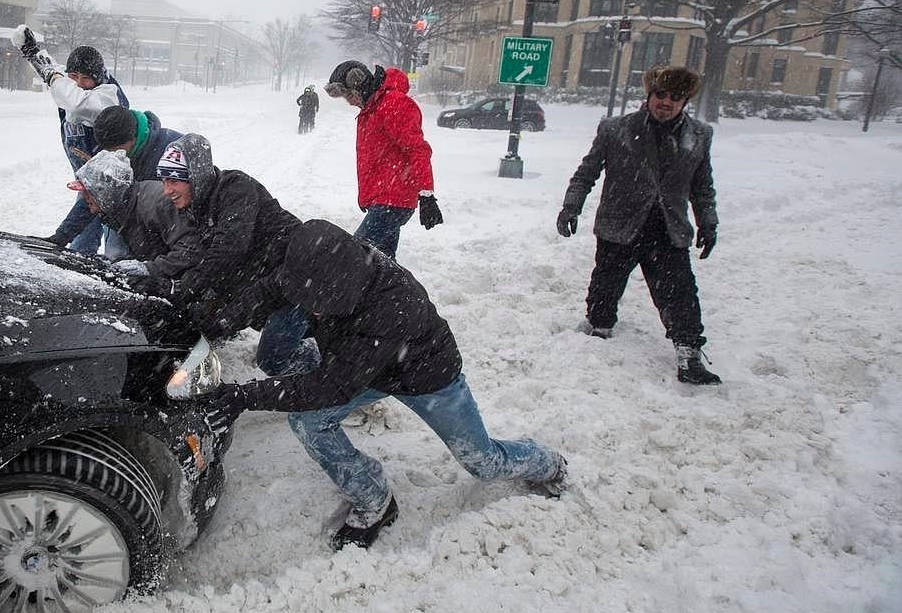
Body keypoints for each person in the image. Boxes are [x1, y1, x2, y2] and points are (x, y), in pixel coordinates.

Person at [188, 219, 567, 551]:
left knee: (483, 462)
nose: (312, 312)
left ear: (341, 290)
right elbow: (269, 291)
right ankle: (374, 499)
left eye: (318, 306)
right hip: (369, 367)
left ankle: (546, 463)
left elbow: (329, 386)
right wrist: (211, 320)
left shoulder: (390, 306)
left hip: (426, 377)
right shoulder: (320, 265)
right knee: (309, 422)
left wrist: (244, 396)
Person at [556, 64, 721, 385]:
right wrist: (570, 206)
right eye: (661, 94)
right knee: (605, 286)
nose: (666, 102)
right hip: (620, 225)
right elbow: (587, 172)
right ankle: (598, 329)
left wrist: (708, 222)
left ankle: (689, 355)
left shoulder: (700, 136)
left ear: (684, 102)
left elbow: (703, 186)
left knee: (680, 293)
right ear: (649, 95)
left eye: (675, 97)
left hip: (667, 230)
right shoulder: (615, 129)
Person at [155, 133, 315, 376]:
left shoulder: (235, 188)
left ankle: (322, 364)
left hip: (297, 277)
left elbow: (228, 249)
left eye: (174, 181)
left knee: (272, 361)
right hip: (268, 280)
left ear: (196, 177)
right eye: (164, 181)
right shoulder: (197, 204)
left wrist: (186, 289)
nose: (167, 190)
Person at [12, 24, 129, 257]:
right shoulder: (70, 88)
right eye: (73, 76)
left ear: (98, 79)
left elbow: (76, 102)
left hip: (119, 190)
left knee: (118, 253)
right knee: (79, 250)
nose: (77, 83)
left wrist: (53, 77)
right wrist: (32, 52)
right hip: (89, 186)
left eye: (85, 79)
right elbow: (54, 76)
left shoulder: (108, 96)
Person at [324, 60, 443, 258]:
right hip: (384, 199)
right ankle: (394, 289)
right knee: (382, 263)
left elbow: (417, 150)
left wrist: (427, 195)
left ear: (359, 84)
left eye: (349, 95)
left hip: (393, 199)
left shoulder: (393, 104)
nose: (350, 102)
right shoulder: (372, 108)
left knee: (355, 257)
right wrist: (368, 197)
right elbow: (375, 159)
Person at [49, 105, 183, 251]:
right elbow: (95, 195)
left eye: (115, 149)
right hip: (128, 221)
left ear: (132, 139)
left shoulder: (171, 152)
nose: (111, 155)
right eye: (105, 149)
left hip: (170, 231)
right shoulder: (112, 150)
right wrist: (61, 236)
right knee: (116, 256)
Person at [65, 149, 202, 289]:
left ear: (106, 191)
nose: (83, 197)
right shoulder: (122, 208)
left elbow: (191, 250)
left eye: (88, 192)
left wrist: (150, 269)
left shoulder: (155, 204)